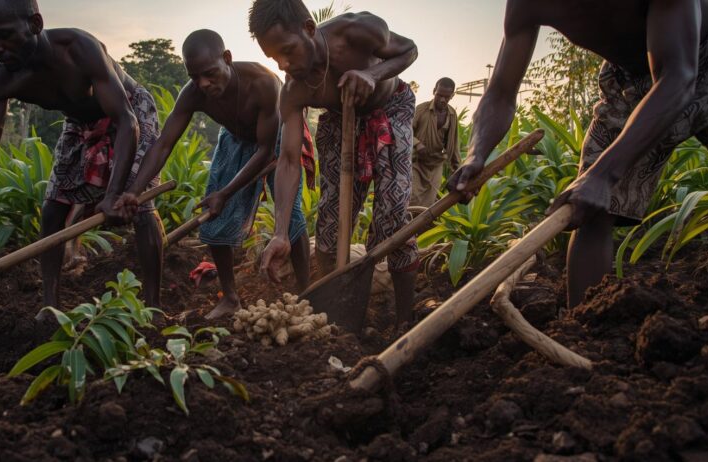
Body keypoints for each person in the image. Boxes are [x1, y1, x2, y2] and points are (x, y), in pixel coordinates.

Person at [449, 0, 708, 310]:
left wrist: (604, 174)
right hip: (631, 77)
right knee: (589, 208)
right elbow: (501, 92)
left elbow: (678, 79)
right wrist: (476, 155)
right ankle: (580, 333)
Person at [0, 0, 164, 308]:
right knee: (53, 208)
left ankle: (153, 307)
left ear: (35, 24)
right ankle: (50, 307)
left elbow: (125, 122)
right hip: (79, 122)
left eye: (2, 34)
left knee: (139, 206)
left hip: (129, 110)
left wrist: (115, 193)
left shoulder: (79, 47)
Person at [116, 30, 312, 319]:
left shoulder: (264, 84)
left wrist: (227, 193)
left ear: (227, 59)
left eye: (209, 74)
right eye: (195, 77)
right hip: (234, 138)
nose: (203, 84)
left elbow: (264, 151)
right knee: (215, 216)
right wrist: (134, 189)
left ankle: (306, 293)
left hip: (276, 140)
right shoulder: (194, 93)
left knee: (290, 217)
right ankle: (231, 298)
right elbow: (164, 144)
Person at [249, 0, 420, 329]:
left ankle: (404, 321)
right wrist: (281, 232)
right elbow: (287, 161)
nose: (284, 65)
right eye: (274, 59)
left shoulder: (357, 30)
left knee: (392, 219)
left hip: (390, 107)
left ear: (309, 30)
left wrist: (372, 74)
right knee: (328, 228)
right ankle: (342, 315)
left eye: (288, 51)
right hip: (341, 121)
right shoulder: (294, 91)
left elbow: (409, 50)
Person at [410, 77, 460, 208]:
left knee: (429, 204)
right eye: (439, 95)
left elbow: (453, 144)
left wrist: (457, 169)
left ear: (452, 96)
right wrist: (418, 144)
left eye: (447, 97)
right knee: (412, 198)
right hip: (417, 162)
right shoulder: (421, 109)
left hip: (435, 164)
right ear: (434, 91)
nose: (442, 100)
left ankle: (421, 229)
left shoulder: (452, 115)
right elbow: (406, 131)